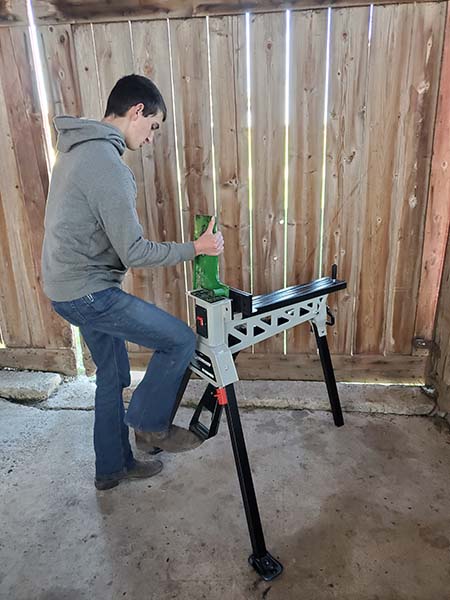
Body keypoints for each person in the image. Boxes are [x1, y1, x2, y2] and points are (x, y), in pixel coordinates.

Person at [41, 74, 224, 491]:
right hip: (88, 293)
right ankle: (148, 426)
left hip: (65, 287)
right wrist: (196, 248)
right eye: (154, 126)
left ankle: (112, 467)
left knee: (112, 374)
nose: (151, 138)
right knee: (178, 339)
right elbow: (136, 253)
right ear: (137, 111)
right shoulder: (108, 166)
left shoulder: (75, 152)